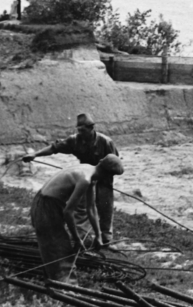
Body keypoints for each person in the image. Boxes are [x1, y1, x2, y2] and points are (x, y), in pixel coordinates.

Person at [20, 113, 124, 249]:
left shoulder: (106, 142)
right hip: (85, 176)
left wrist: (104, 178)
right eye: (78, 130)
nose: (80, 133)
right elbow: (55, 148)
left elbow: (114, 163)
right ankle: (82, 237)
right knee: (82, 208)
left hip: (104, 179)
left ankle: (105, 240)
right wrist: (35, 154)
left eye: (83, 130)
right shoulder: (75, 140)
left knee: (105, 208)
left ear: (91, 128)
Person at [31, 165, 94, 279]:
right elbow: (68, 212)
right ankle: (65, 285)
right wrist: (76, 238)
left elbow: (91, 208)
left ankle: (54, 281)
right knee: (59, 249)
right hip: (47, 205)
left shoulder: (88, 169)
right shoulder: (85, 180)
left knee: (52, 248)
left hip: (43, 200)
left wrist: (99, 236)